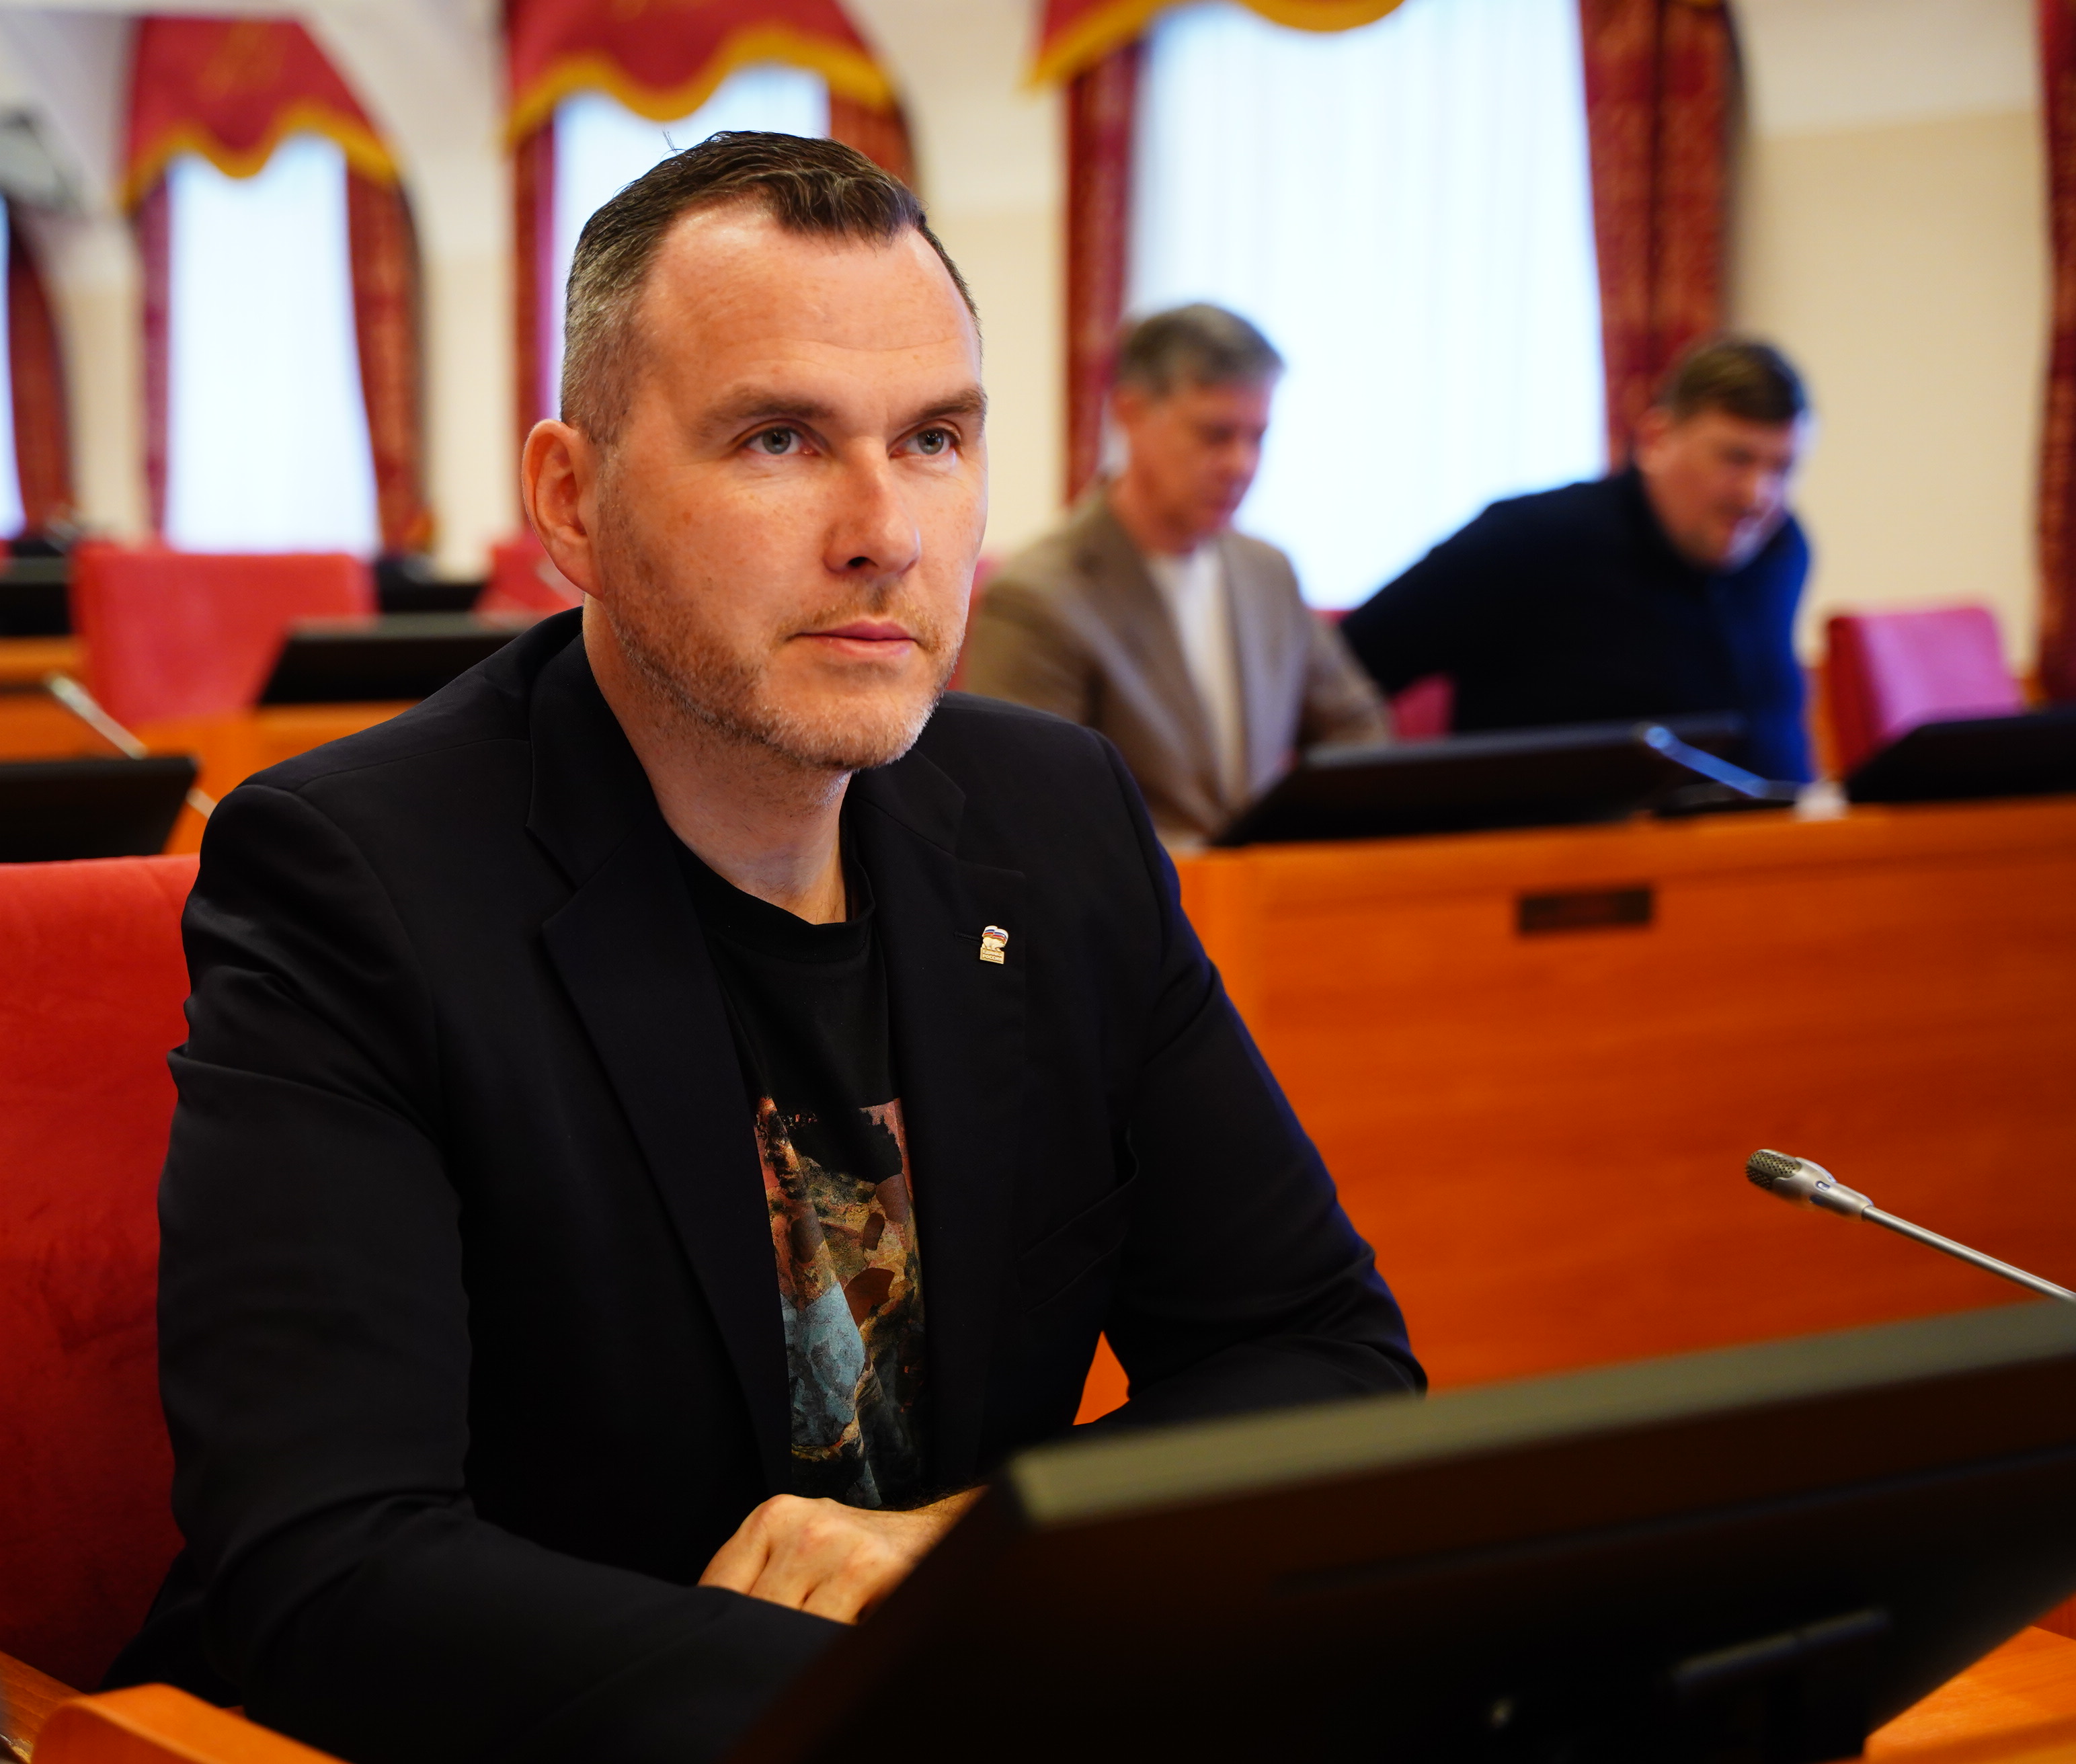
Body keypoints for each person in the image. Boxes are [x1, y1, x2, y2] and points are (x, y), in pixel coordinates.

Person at [116, 133, 1419, 1764]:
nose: (886, 531)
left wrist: (962, 1551)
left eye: (933, 438)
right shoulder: (358, 878)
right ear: (572, 501)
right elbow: (327, 1574)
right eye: (780, 439)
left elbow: (1326, 1359)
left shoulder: (1057, 820)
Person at [959, 304, 1388, 844]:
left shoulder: (1268, 571)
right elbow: (1025, 809)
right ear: (1132, 414)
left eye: (1257, 437)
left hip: (1269, 885)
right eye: (1216, 435)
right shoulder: (1037, 597)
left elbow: (1355, 726)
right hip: (1136, 894)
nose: (1242, 464)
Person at [1341, 337, 1815, 782]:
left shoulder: (1782, 550)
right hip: (1559, 840)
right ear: (1656, 439)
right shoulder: (1530, 539)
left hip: (1779, 835)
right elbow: (1343, 674)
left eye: (1783, 468)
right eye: (1736, 459)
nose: (1758, 496)